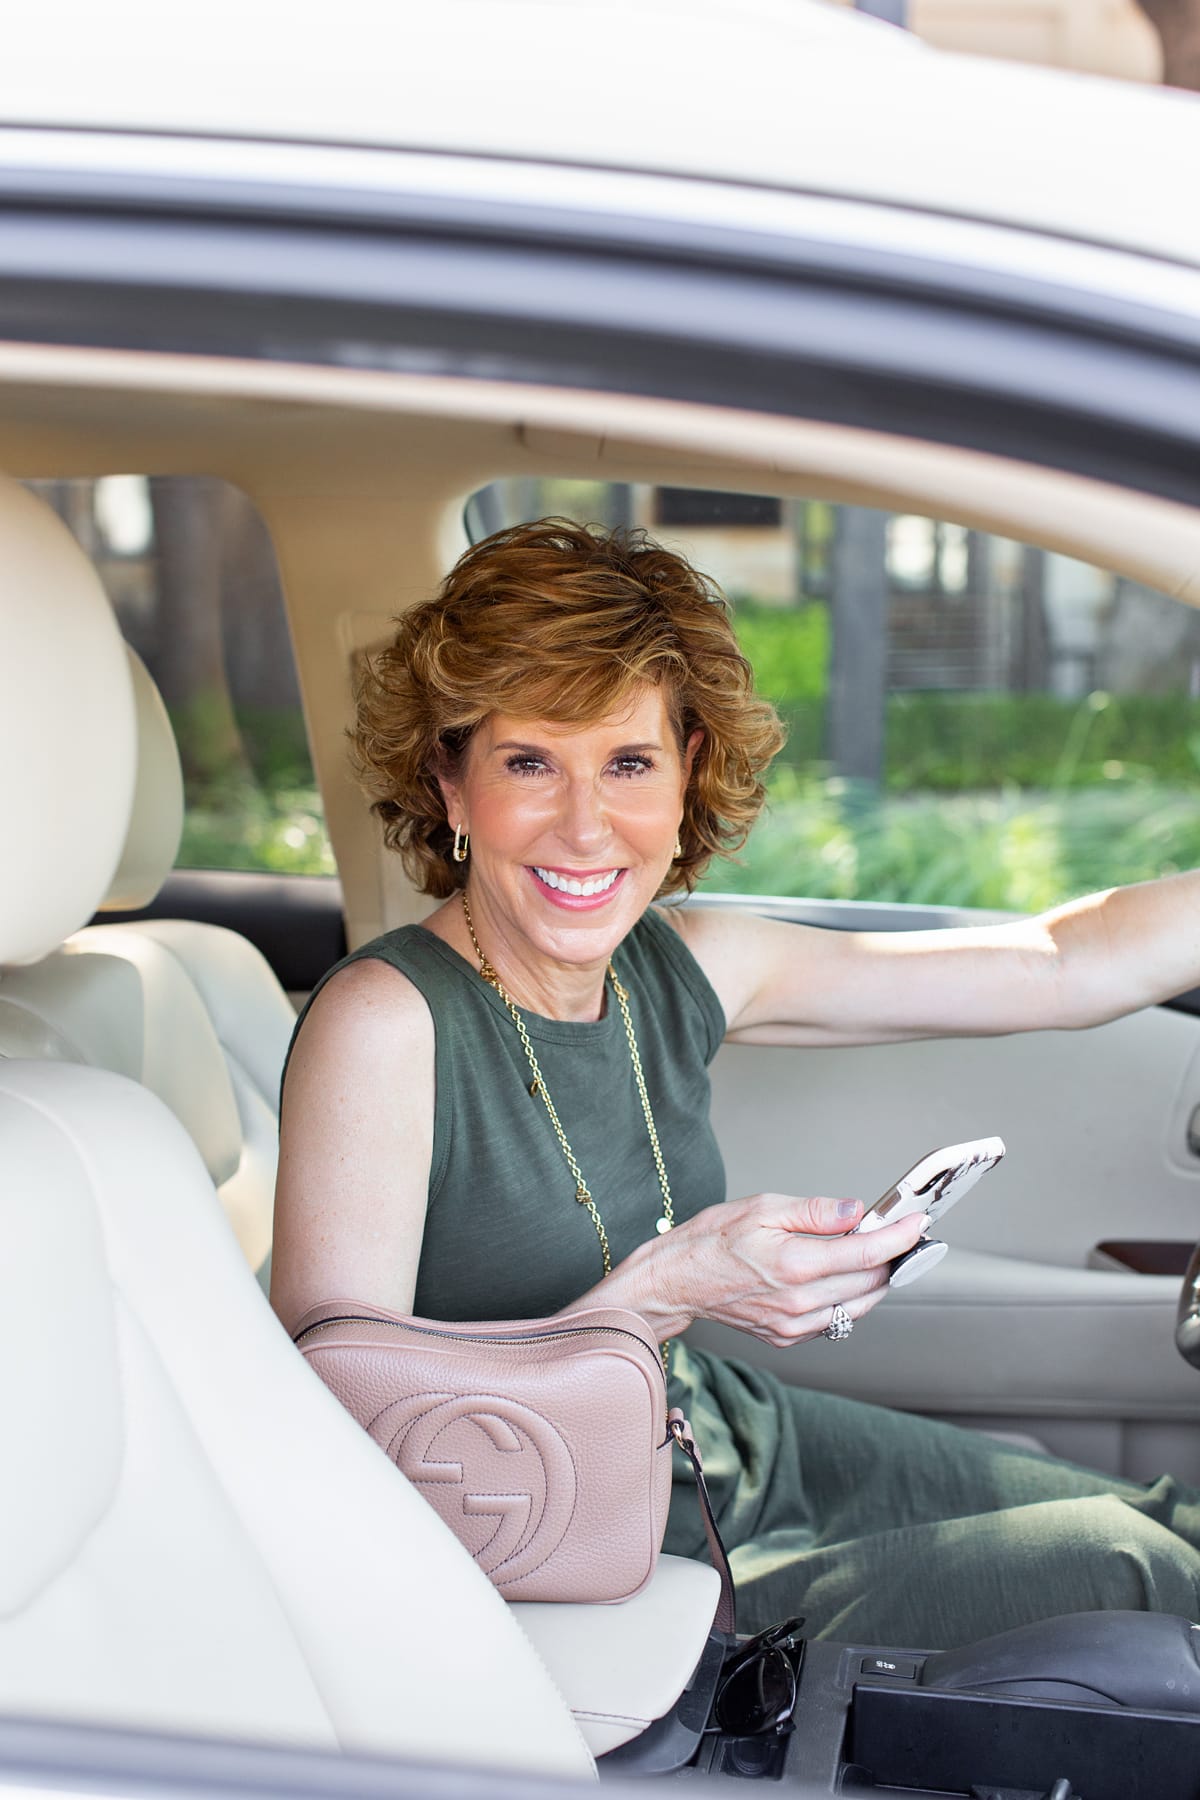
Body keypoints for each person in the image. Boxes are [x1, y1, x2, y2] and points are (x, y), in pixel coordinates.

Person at [272, 517, 1200, 1648]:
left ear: (688, 776)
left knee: (1158, 1518)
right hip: (580, 1550)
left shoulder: (683, 961)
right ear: (451, 786)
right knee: (1131, 1567)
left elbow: (1067, 962)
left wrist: (676, 1311)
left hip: (714, 1437)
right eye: (530, 764)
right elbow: (336, 1438)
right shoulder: (384, 1024)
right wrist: (667, 1292)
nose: (585, 825)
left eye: (628, 764)